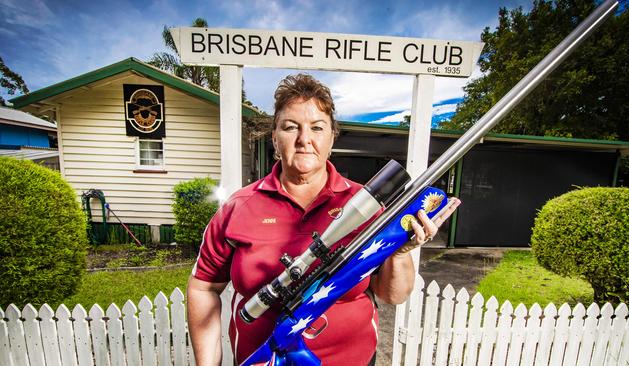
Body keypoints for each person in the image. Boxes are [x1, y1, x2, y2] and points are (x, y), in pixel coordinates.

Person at [187, 74, 461, 366]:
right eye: (291, 127)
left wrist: (402, 248)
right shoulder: (238, 207)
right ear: (275, 139)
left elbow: (392, 295)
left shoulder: (366, 204)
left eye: (317, 128)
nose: (305, 139)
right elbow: (203, 287)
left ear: (332, 138)